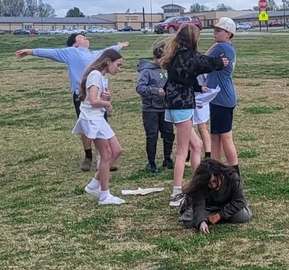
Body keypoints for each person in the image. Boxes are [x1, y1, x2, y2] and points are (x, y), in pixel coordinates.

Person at [15, 33, 128, 170]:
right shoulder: (71, 52)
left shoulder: (95, 54)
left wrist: (119, 46)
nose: (85, 38)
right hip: (81, 96)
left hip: (99, 97)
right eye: (81, 37)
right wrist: (31, 51)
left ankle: (102, 159)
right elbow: (52, 52)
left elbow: (109, 52)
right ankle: (88, 157)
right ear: (74, 44)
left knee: (101, 125)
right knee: (86, 126)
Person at [161, 24, 229, 208]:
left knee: (197, 145)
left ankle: (196, 186)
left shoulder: (176, 55)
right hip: (182, 107)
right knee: (183, 151)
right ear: (193, 39)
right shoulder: (188, 56)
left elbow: (183, 78)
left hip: (173, 105)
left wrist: (199, 88)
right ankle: (176, 193)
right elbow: (204, 62)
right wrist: (220, 63)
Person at [76, 49, 126, 206]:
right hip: (93, 119)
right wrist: (106, 103)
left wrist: (106, 99)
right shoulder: (95, 75)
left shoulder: (102, 77)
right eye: (118, 65)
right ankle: (105, 195)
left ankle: (93, 185)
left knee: (117, 150)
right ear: (108, 62)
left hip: (98, 118)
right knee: (106, 155)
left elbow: (99, 98)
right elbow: (92, 100)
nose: (119, 69)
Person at [179, 158, 252, 233]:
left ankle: (213, 219)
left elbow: (239, 200)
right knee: (189, 221)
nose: (213, 185)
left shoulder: (232, 176)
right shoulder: (200, 182)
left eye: (214, 181)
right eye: (209, 183)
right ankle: (207, 219)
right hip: (207, 208)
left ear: (220, 174)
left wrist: (220, 215)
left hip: (227, 206)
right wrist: (201, 222)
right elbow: (199, 205)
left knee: (244, 215)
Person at [206, 17, 240, 171]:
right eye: (215, 30)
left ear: (228, 34)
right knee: (215, 136)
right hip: (220, 97)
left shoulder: (222, 47)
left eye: (219, 31)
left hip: (221, 98)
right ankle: (216, 169)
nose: (215, 33)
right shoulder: (227, 47)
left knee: (225, 136)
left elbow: (202, 59)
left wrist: (216, 43)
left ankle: (234, 172)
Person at [136, 41, 175, 173]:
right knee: (152, 135)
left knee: (169, 133)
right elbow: (140, 87)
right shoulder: (146, 71)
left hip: (166, 107)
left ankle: (167, 158)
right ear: (155, 58)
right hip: (150, 108)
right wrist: (154, 91)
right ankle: (151, 162)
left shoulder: (168, 68)